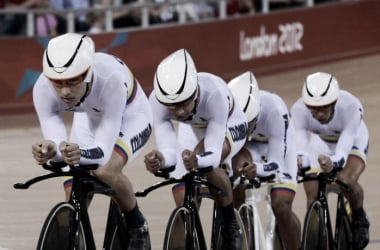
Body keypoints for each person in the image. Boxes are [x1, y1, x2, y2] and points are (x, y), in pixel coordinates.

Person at [31, 33, 152, 249]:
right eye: (57, 83)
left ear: (87, 73)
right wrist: (51, 150)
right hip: (90, 117)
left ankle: (136, 224)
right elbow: (58, 144)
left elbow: (102, 153)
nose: (65, 91)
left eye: (72, 81)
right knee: (74, 188)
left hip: (131, 117)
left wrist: (80, 154)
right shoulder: (42, 87)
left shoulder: (110, 80)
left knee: (105, 171)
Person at [144, 48, 248, 249]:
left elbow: (213, 153)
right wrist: (161, 160)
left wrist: (198, 161)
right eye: (173, 106)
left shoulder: (214, 93)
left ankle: (231, 226)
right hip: (192, 129)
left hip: (229, 125)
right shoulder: (157, 101)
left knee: (208, 167)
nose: (180, 111)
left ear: (195, 91)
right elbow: (169, 151)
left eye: (184, 102)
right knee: (183, 190)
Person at [291, 72, 370, 250]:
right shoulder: (298, 110)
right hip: (321, 144)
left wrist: (332, 163)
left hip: (352, 142)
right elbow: (302, 150)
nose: (318, 114)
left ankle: (359, 216)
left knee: (346, 179)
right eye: (313, 108)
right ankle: (318, 237)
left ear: (334, 102)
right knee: (312, 192)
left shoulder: (351, 107)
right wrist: (299, 163)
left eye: (324, 108)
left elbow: (342, 153)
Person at [228, 71, 301, 249]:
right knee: (234, 173)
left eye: (249, 124)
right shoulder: (228, 110)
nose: (244, 131)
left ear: (257, 113)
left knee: (281, 205)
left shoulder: (275, 110)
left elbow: (277, 164)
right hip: (253, 146)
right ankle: (239, 231)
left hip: (279, 147)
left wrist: (258, 169)